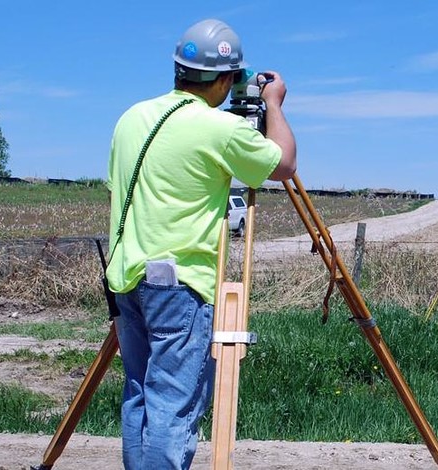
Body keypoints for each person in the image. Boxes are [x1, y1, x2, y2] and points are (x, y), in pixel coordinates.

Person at [105, 19, 296, 469]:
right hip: (178, 286)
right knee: (173, 407)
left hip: (125, 279)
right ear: (227, 79)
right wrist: (274, 105)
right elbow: (283, 163)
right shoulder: (218, 130)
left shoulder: (132, 117)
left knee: (140, 398)